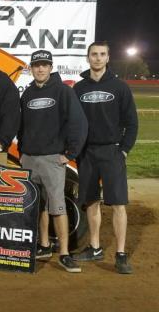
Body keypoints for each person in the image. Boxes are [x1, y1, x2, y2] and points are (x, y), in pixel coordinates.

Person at [18, 50, 88, 273]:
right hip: (29, 158)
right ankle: (44, 246)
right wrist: (21, 151)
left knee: (57, 206)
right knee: (38, 206)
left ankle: (65, 254)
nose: (40, 69)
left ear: (50, 67)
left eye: (44, 65)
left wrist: (70, 153)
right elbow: (21, 127)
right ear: (31, 67)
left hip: (52, 159)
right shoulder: (27, 94)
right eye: (36, 65)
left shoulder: (63, 91)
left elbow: (79, 123)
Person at [73, 41, 138, 274]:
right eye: (94, 54)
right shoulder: (78, 89)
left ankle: (120, 255)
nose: (98, 58)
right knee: (91, 201)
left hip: (112, 152)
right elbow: (73, 123)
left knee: (119, 204)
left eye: (102, 54)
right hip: (88, 153)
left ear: (108, 58)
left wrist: (123, 150)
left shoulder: (120, 87)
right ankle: (95, 247)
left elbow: (132, 123)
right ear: (88, 57)